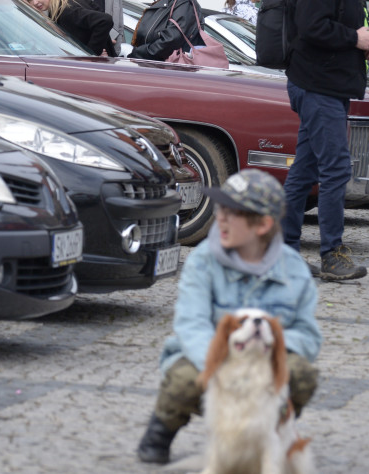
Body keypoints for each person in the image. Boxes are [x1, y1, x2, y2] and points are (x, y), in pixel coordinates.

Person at [135, 169, 321, 465]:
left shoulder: (294, 269)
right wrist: (224, 364)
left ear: (263, 224)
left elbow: (308, 335)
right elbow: (191, 324)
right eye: (221, 208)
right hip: (212, 356)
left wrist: (269, 350)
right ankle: (161, 431)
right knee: (184, 379)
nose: (220, 217)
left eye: (232, 213)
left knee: (302, 373)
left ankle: (272, 428)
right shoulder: (203, 260)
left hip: (264, 359)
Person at [281, 0, 369, 281]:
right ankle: (332, 254)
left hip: (330, 86)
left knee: (303, 173)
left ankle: (284, 257)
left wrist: (364, 43)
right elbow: (311, 27)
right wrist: (353, 38)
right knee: (336, 168)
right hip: (316, 86)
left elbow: (338, 27)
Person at [21, 0, 116, 56]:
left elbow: (105, 20)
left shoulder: (65, 10)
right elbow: (94, 6)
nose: (35, 2)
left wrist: (91, 54)